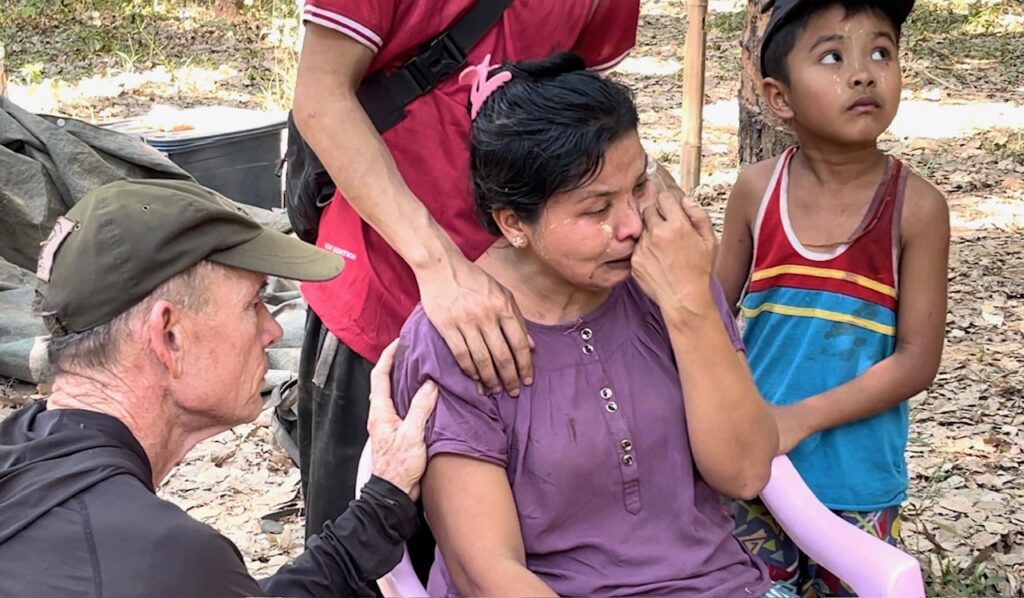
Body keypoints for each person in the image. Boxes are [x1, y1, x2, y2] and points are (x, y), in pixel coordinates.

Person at [390, 53, 787, 597]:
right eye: (596, 208)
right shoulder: (458, 335)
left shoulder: (671, 274)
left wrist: (689, 304)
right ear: (513, 223)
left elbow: (743, 473)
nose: (630, 225)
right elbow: (489, 576)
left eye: (639, 187)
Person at [291, 0, 642, 542]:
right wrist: (439, 265)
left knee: (503, 544)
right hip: (384, 282)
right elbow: (320, 98)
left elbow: (581, 106)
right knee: (361, 549)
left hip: (528, 314)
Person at [0, 179, 439, 597]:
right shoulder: (163, 559)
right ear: (169, 336)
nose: (271, 329)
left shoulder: (29, 469)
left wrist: (382, 504)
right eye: (254, 303)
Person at [716, 1, 950, 595]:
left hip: (857, 481)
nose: (864, 72)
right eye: (831, 56)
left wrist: (795, 420)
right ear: (779, 97)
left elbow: (916, 359)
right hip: (754, 472)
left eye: (881, 52)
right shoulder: (756, 192)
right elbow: (713, 319)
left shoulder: (916, 208)